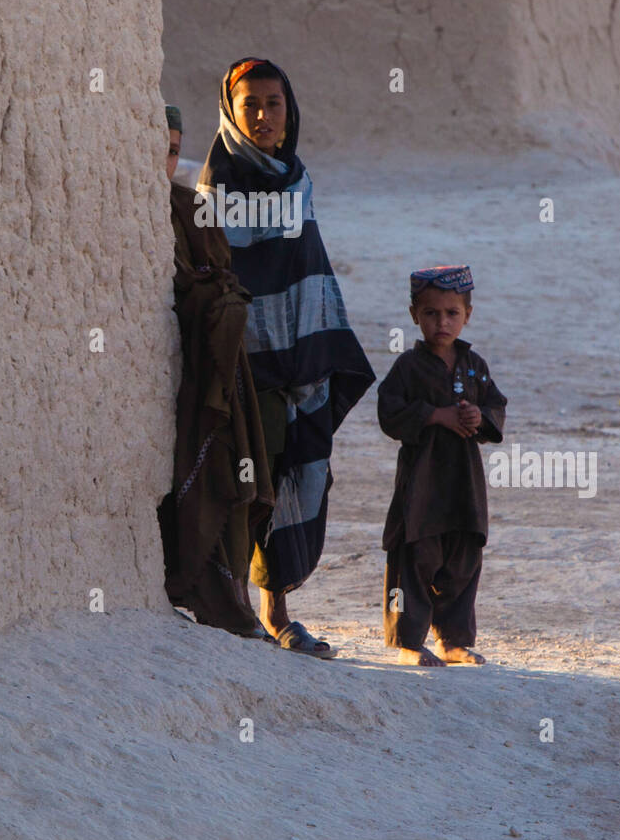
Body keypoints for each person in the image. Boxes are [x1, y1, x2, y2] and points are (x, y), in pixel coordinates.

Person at [197, 59, 375, 656]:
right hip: (246, 364)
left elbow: (308, 266)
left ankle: (275, 609)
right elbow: (211, 276)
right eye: (251, 104)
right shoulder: (217, 184)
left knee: (294, 468)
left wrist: (318, 343)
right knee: (252, 479)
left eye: (275, 104)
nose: (265, 116)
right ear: (231, 108)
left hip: (297, 359)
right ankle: (248, 608)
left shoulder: (297, 180)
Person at [158, 104, 275, 637]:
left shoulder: (190, 206)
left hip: (215, 365)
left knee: (229, 474)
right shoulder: (132, 213)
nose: (163, 160)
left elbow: (219, 272)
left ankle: (234, 603)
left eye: (173, 151)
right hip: (179, 372)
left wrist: (216, 295)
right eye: (155, 147)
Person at [377, 265, 507, 666]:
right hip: (421, 484)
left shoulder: (474, 365)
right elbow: (389, 412)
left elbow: (495, 407)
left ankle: (453, 640)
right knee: (416, 557)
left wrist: (477, 419)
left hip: (464, 484)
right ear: (415, 314)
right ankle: (409, 643)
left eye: (452, 313)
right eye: (431, 313)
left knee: (462, 559)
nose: (442, 322)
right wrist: (436, 416)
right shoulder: (408, 367)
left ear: (468, 314)